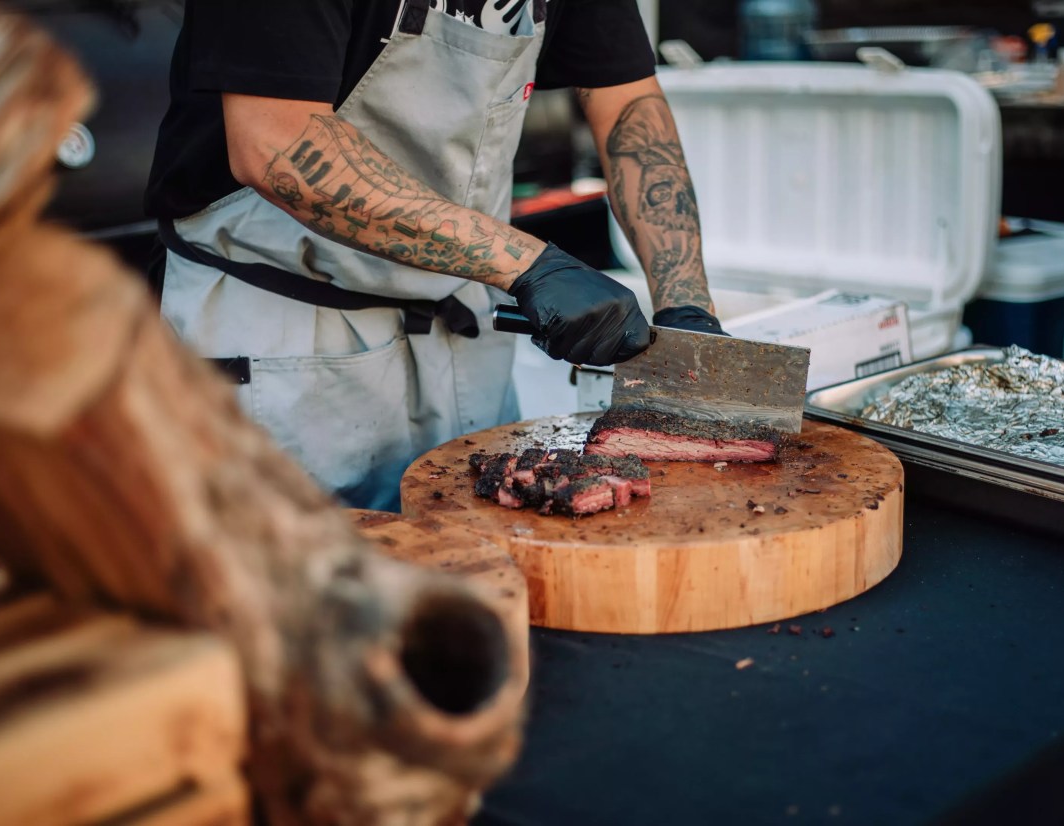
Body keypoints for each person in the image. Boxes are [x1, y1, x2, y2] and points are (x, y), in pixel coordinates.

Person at [145, 0, 724, 511]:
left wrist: (686, 307)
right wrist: (529, 263)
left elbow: (626, 105)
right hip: (288, 340)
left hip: (462, 330)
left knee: (480, 581)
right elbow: (274, 140)